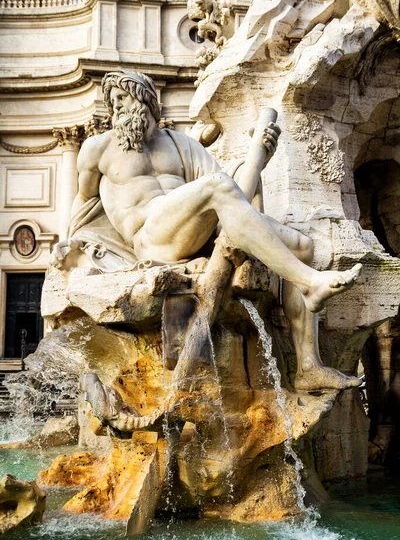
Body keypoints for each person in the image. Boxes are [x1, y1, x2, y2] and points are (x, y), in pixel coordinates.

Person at [53, 70, 362, 391]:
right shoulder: (98, 148)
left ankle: (308, 367)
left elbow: (235, 196)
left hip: (195, 232)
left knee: (302, 245)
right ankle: (310, 282)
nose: (116, 107)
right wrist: (72, 248)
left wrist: (258, 160)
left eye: (123, 98)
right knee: (217, 186)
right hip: (150, 239)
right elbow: (85, 203)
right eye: (112, 102)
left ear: (146, 99)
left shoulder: (180, 144)